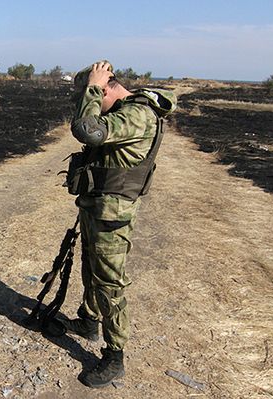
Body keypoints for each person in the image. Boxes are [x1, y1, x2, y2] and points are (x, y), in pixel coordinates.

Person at [61, 61, 177, 388]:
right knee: (91, 266)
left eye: (95, 93)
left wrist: (93, 88)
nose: (90, 101)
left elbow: (87, 129)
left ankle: (115, 355)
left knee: (110, 281)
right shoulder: (125, 111)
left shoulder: (136, 115)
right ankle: (88, 320)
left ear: (109, 86)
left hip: (113, 213)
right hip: (98, 205)